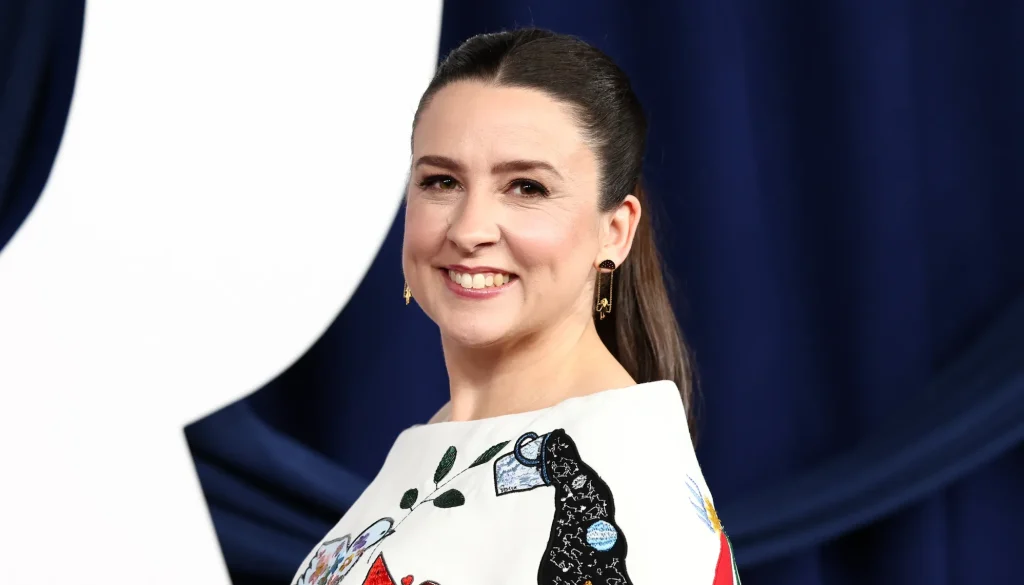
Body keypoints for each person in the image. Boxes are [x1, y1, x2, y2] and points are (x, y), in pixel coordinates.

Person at [290, 28, 741, 585]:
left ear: (615, 232)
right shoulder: (436, 443)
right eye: (442, 180)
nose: (469, 228)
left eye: (526, 187)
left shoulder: (628, 490)